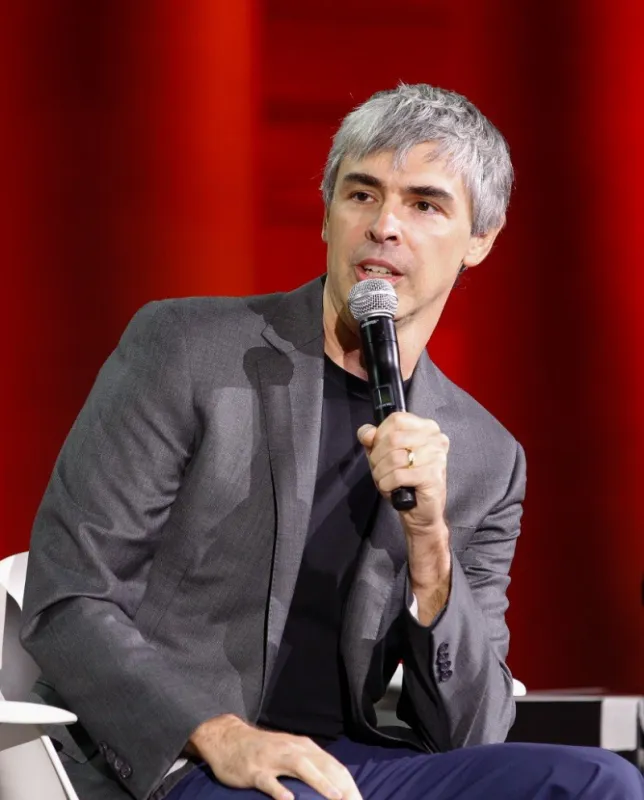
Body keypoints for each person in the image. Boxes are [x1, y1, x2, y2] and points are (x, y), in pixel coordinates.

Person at [20, 84, 644, 800]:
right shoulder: (187, 348)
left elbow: (473, 729)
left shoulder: (485, 456)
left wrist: (430, 549)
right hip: (185, 753)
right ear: (326, 214)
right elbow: (68, 596)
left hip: (350, 765)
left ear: (480, 241)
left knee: (601, 782)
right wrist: (218, 733)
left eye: (425, 205)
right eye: (361, 195)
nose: (385, 226)